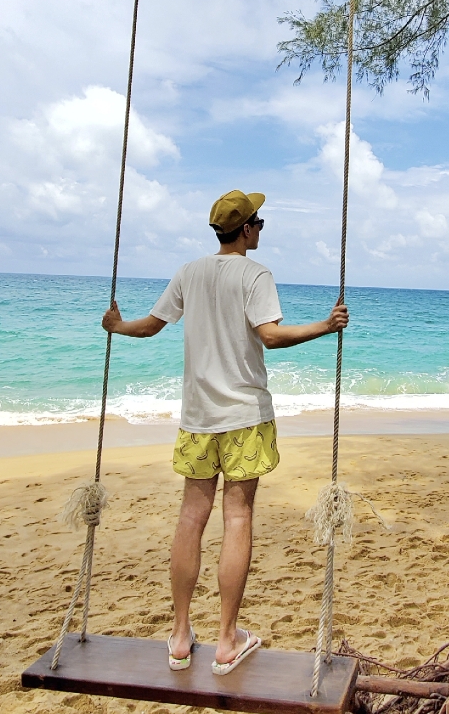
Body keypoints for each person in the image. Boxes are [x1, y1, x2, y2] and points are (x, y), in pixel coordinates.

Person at [101, 189, 349, 674]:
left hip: (197, 419)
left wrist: (116, 326)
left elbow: (151, 326)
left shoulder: (189, 272)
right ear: (248, 228)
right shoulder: (255, 274)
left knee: (192, 517)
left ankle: (178, 636)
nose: (262, 227)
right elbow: (270, 336)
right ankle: (226, 640)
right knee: (237, 518)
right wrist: (326, 324)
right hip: (245, 417)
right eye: (260, 221)